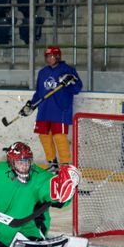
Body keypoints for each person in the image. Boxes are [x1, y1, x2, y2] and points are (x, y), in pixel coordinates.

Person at [22, 45, 82, 173]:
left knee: (60, 138)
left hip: (60, 110)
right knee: (44, 136)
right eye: (48, 56)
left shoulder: (67, 70)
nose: (50, 59)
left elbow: (77, 88)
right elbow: (39, 92)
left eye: (52, 56)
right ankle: (52, 163)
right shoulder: (43, 72)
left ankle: (65, 166)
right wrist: (31, 104)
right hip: (44, 110)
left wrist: (70, 82)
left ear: (58, 56)